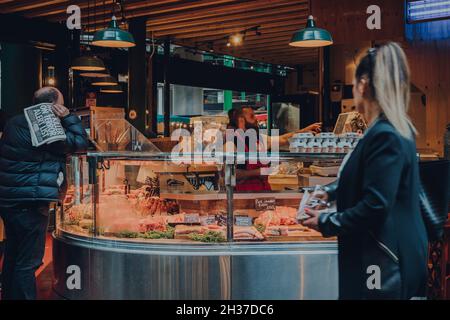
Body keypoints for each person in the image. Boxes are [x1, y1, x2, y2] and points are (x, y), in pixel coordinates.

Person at [302, 43, 428, 300]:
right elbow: (372, 179)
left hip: (383, 262)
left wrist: (326, 222)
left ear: (364, 84)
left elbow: (375, 205)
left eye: (354, 83)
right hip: (389, 255)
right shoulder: (389, 129)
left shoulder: (384, 134)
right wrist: (328, 192)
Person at [0, 87, 88, 300]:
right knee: (28, 261)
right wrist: (68, 117)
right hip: (30, 200)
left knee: (13, 254)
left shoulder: (15, 121)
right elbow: (79, 144)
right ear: (54, 105)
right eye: (62, 104)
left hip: (9, 199)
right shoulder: (45, 124)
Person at [228, 106, 321, 192]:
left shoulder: (259, 139)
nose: (256, 119)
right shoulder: (232, 143)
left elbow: (283, 138)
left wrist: (304, 131)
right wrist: (259, 172)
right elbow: (231, 174)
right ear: (241, 121)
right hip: (244, 195)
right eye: (252, 116)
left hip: (263, 193)